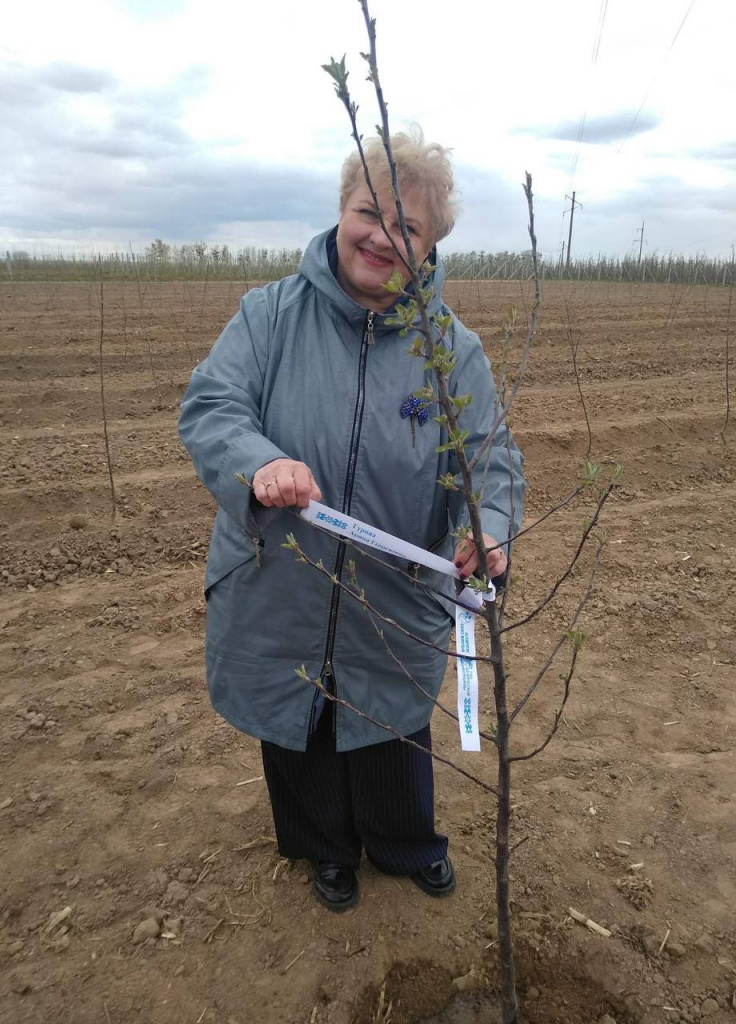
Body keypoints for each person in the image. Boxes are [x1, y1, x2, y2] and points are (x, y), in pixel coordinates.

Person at [178, 128, 525, 912]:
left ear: (431, 247)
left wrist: (488, 524)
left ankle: (406, 845)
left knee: (392, 732)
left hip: (395, 596)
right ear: (343, 209)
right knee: (295, 729)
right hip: (278, 584)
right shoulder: (268, 315)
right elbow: (212, 405)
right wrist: (258, 462)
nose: (384, 237)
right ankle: (324, 850)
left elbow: (490, 459)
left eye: (410, 227)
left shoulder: (453, 354)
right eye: (372, 211)